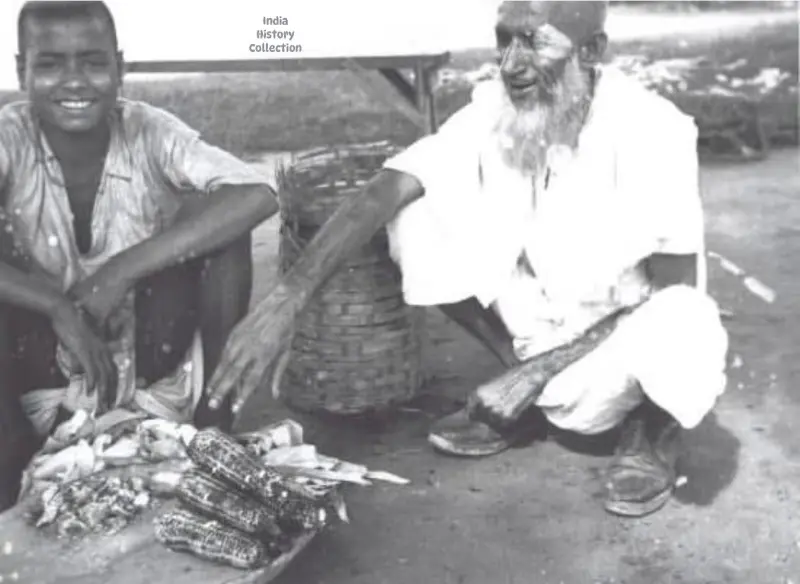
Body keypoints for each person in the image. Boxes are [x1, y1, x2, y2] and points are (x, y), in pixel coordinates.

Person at [206, 1, 729, 518]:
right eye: (505, 39)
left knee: (686, 318)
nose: (511, 65)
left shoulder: (656, 129)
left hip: (623, 355)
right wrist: (285, 301)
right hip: (538, 335)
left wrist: (536, 374)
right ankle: (521, 392)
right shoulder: (495, 111)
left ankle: (650, 432)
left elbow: (673, 292)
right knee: (415, 213)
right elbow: (385, 190)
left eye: (535, 40)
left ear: (591, 51)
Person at [0, 0, 279, 511]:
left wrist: (119, 272)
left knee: (222, 229)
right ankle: (8, 456)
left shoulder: (149, 131)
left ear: (120, 67)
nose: (75, 81)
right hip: (37, 380)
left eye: (93, 60)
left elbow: (257, 191)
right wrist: (56, 305)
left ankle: (211, 431)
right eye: (50, 63)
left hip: (152, 368)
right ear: (21, 71)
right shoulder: (8, 138)